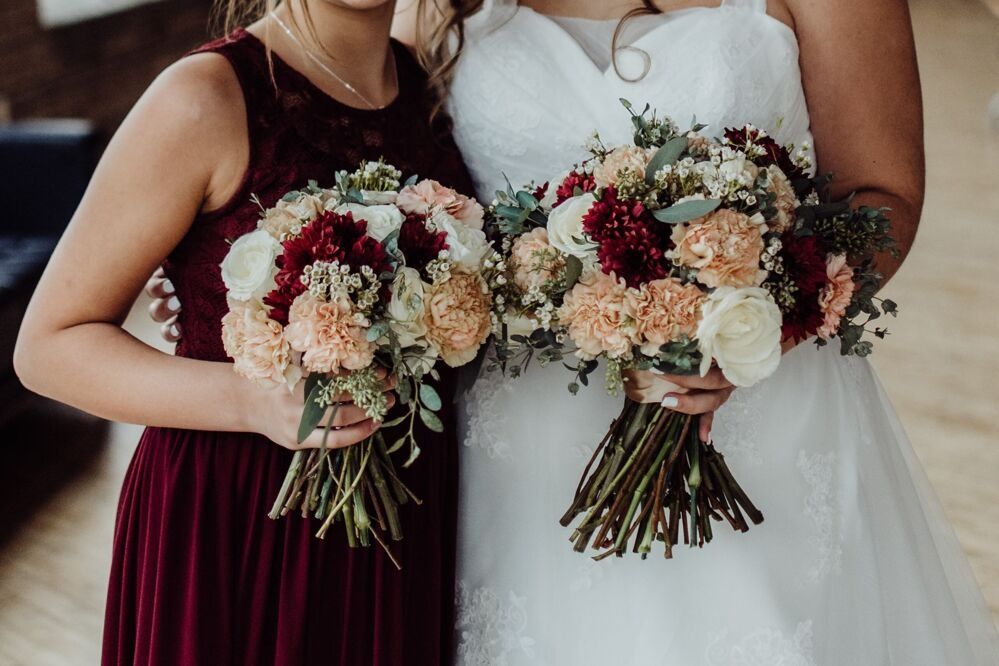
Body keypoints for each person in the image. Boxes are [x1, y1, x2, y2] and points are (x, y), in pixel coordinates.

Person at [150, 0, 999, 663]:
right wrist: (212, 275)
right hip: (521, 460)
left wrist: (763, 319)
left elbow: (880, 196)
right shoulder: (435, 6)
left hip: (751, 416)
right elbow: (377, 161)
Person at [14, 1, 474, 664]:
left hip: (400, 517)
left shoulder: (425, 85)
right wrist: (248, 398)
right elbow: (49, 347)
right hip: (243, 515)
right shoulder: (202, 97)